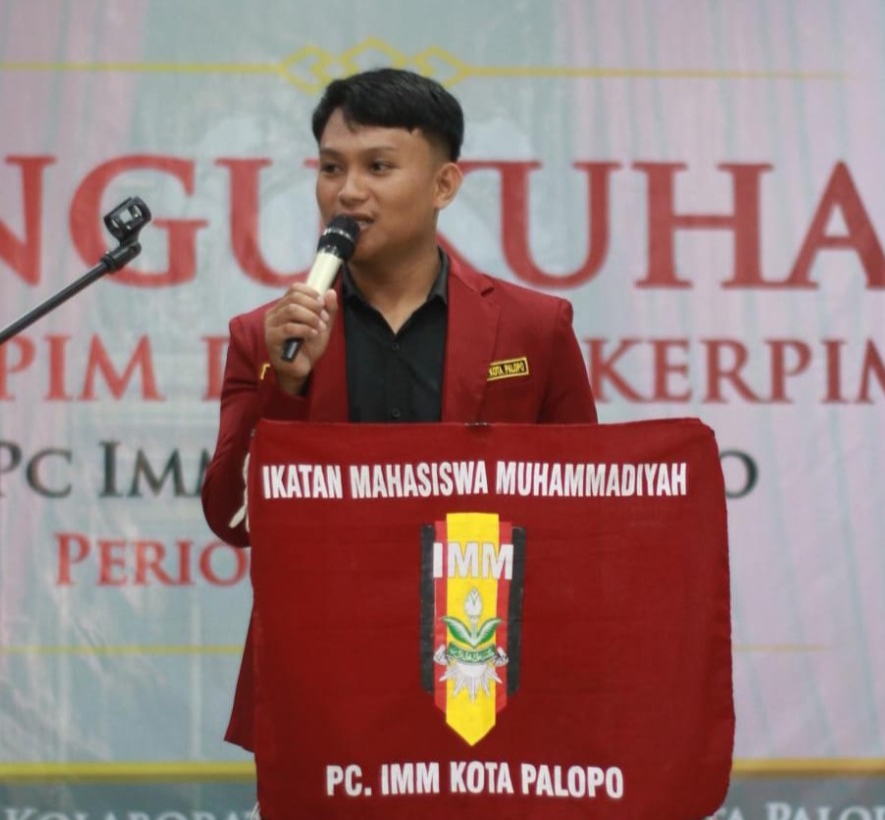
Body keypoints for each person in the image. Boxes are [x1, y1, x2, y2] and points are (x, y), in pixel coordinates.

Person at [201, 68, 597, 761]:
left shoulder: (534, 329)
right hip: (324, 670)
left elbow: (582, 516)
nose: (347, 191)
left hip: (479, 669)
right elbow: (233, 520)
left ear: (444, 185)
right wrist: (285, 386)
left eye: (378, 167)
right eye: (332, 168)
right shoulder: (266, 338)